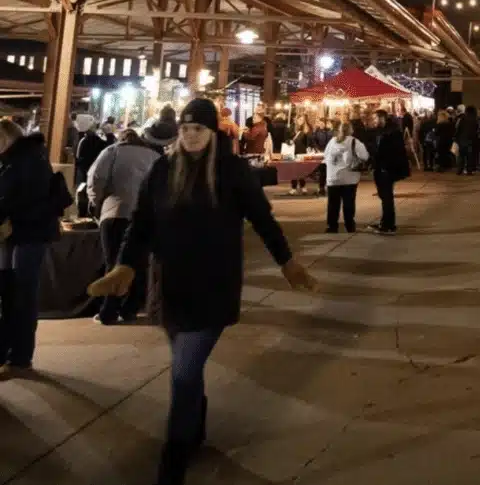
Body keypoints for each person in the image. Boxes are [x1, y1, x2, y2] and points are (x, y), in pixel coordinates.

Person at [87, 98, 316, 484]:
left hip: (214, 287)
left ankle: (172, 462)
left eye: (199, 129)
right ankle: (195, 428)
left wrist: (286, 261)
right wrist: (124, 263)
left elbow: (263, 219)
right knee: (186, 367)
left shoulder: (232, 171)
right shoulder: (163, 169)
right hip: (170, 287)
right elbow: (141, 223)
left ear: (212, 133)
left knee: (183, 372)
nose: (191, 135)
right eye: (186, 129)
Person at [87, 123, 172, 325]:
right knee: (139, 264)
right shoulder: (154, 157)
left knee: (114, 263)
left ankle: (108, 311)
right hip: (146, 218)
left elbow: (96, 179)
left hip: (115, 212)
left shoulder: (111, 152)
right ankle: (130, 308)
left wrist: (96, 203)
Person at [0, 121, 64, 379]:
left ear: (7, 138)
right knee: (11, 294)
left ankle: (20, 356)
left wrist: (4, 212)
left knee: (22, 295)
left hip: (28, 236)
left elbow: (24, 200)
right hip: (18, 236)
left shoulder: (28, 160)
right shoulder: (17, 159)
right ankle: (11, 353)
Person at [368, 110, 410, 235]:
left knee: (386, 197)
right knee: (385, 196)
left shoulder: (390, 133)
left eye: (375, 118)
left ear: (382, 118)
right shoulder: (386, 131)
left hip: (386, 169)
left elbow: (389, 152)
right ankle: (385, 222)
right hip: (384, 168)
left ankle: (388, 225)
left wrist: (382, 165)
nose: (374, 121)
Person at [324, 121, 369, 233]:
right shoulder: (355, 142)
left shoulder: (332, 141)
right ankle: (349, 225)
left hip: (333, 178)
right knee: (349, 203)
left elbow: (325, 156)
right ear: (351, 130)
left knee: (333, 204)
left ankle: (332, 226)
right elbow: (364, 156)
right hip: (350, 178)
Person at [290, 113, 312, 195]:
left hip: (302, 152)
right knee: (294, 170)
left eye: (303, 120)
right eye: (300, 119)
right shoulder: (291, 127)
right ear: (296, 119)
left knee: (302, 170)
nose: (301, 121)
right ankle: (294, 187)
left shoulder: (306, 129)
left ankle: (303, 186)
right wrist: (289, 141)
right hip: (293, 151)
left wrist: (309, 147)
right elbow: (286, 138)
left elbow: (308, 141)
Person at [455, 105, 479, 176]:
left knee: (461, 156)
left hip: (462, 140)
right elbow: (477, 130)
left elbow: (458, 129)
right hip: (471, 140)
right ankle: (469, 171)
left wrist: (456, 138)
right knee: (470, 156)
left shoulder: (462, 119)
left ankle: (459, 170)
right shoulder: (475, 120)